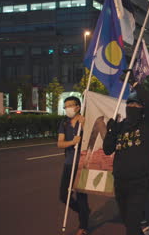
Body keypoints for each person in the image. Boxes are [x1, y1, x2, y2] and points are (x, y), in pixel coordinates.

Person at [103, 79, 149, 235]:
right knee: (128, 222)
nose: (132, 107)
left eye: (136, 105)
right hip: (120, 181)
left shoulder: (147, 125)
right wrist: (111, 132)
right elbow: (107, 150)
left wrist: (135, 83)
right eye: (129, 104)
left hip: (139, 182)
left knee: (132, 225)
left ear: (142, 108)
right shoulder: (120, 126)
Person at [57, 96, 90, 235]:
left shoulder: (85, 121)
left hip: (82, 164)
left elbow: (92, 139)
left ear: (77, 107)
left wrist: (84, 126)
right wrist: (72, 142)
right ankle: (84, 212)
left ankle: (83, 226)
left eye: (70, 106)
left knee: (81, 196)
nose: (67, 109)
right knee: (63, 195)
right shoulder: (64, 123)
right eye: (65, 107)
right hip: (69, 163)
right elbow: (60, 143)